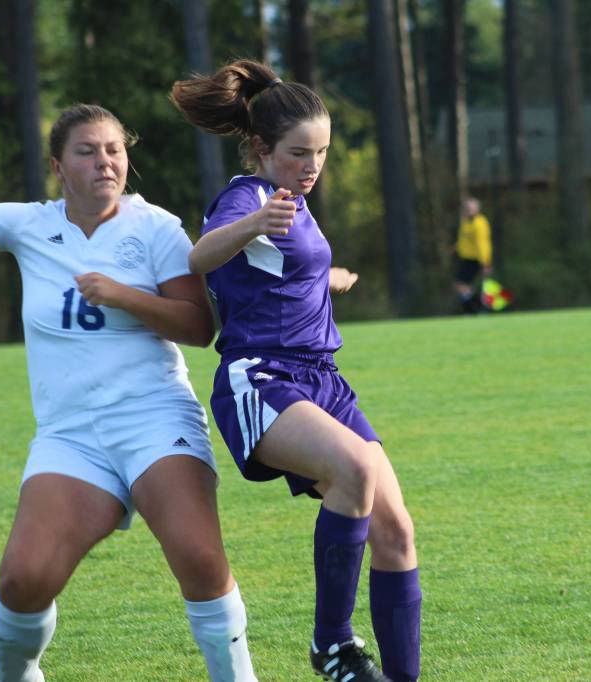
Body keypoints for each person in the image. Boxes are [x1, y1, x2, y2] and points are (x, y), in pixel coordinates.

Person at [0, 104, 257, 682]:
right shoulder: (29, 225)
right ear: (57, 165)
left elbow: (199, 328)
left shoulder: (155, 227)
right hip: (71, 437)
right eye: (87, 151)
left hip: (154, 419)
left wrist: (124, 295)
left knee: (200, 559)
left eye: (114, 150)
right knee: (23, 580)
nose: (104, 162)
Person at [170, 60, 422, 682]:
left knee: (396, 532)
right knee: (356, 469)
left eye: (323, 153)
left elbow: (283, 271)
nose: (311, 167)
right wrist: (252, 223)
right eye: (297, 153)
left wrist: (325, 280)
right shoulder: (248, 196)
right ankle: (332, 643)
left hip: (322, 379)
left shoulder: (297, 200)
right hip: (262, 378)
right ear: (260, 148)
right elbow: (201, 254)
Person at [452, 196, 493, 313]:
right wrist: (456, 247)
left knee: (461, 284)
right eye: (466, 208)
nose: (467, 210)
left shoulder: (479, 223)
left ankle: (475, 308)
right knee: (464, 285)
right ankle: (475, 308)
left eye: (470, 208)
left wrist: (486, 262)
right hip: (466, 258)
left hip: (475, 259)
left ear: (477, 209)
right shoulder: (466, 222)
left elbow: (483, 244)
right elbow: (464, 239)